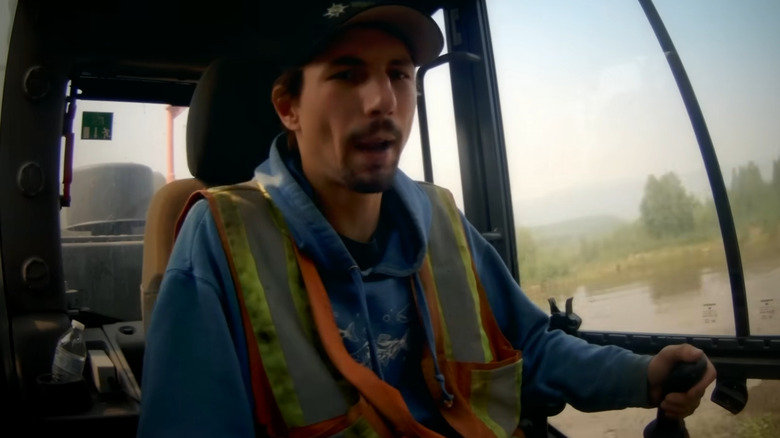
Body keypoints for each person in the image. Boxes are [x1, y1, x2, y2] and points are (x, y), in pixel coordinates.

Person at [138, 2, 716, 437]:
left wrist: (641, 375)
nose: (382, 101)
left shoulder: (438, 218)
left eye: (399, 74)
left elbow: (528, 349)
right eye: (347, 74)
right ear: (288, 106)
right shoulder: (220, 240)